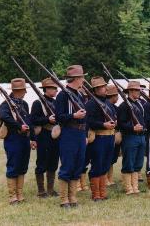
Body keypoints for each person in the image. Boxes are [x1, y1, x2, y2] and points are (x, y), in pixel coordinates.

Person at [0, 78, 37, 204]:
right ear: (18, 91)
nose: (25, 93)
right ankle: (12, 196)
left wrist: (32, 138)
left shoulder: (24, 104)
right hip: (13, 139)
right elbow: (4, 117)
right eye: (23, 90)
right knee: (13, 166)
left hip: (24, 139)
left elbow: (29, 121)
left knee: (22, 166)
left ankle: (20, 194)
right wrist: (18, 126)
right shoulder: (5, 105)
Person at [55, 65, 87, 208]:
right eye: (82, 77)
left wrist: (85, 134)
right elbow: (58, 117)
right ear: (76, 78)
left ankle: (73, 198)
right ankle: (64, 200)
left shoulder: (79, 95)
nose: (83, 80)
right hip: (69, 132)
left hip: (80, 133)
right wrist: (73, 115)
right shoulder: (63, 95)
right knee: (67, 165)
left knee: (78, 165)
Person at [86, 76, 116, 201]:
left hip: (109, 137)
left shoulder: (108, 103)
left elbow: (113, 115)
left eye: (105, 86)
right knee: (97, 165)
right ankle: (96, 194)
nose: (105, 88)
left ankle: (102, 192)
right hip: (99, 138)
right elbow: (89, 121)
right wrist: (103, 124)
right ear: (96, 89)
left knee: (105, 165)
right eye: (102, 87)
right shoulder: (91, 103)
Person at [31, 78, 59, 198]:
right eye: (54, 88)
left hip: (55, 136)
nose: (56, 90)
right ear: (47, 89)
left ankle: (51, 189)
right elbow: (33, 120)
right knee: (42, 162)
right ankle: (41, 190)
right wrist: (47, 119)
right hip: (43, 136)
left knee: (53, 162)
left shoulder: (55, 102)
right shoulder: (38, 103)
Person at [118, 81, 146, 195]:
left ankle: (135, 186)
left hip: (141, 137)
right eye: (137, 90)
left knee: (138, 163)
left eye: (139, 90)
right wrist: (132, 128)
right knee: (128, 162)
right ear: (130, 91)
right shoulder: (123, 106)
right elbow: (121, 123)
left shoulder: (139, 104)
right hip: (130, 137)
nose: (139, 92)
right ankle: (128, 187)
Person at [105, 84, 119, 186]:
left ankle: (110, 178)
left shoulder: (115, 107)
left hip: (114, 134)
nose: (117, 97)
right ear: (112, 96)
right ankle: (105, 178)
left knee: (112, 158)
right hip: (106, 134)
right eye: (116, 95)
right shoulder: (106, 106)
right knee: (106, 158)